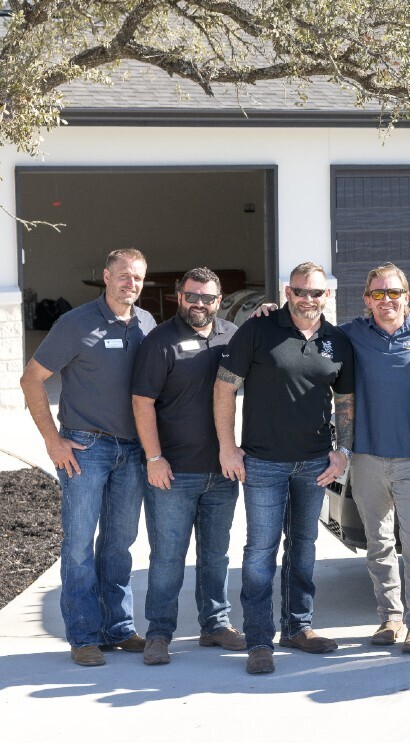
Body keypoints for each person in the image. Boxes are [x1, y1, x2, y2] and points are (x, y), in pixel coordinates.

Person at [215, 262, 355, 675]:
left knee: (304, 547)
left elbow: (345, 402)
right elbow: (224, 387)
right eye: (299, 291)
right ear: (287, 292)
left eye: (315, 293)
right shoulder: (258, 330)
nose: (307, 299)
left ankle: (299, 627)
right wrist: (228, 447)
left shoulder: (338, 341)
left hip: (314, 463)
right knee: (260, 551)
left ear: (327, 296)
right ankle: (259, 640)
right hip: (262, 463)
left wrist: (342, 451)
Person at [19, 249, 156, 667]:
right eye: (123, 276)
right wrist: (52, 441)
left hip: (132, 451)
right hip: (85, 449)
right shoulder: (75, 323)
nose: (130, 284)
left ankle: (118, 628)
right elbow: (31, 380)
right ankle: (83, 635)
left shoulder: (147, 323)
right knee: (78, 545)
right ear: (106, 277)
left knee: (119, 543)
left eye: (137, 278)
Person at [131, 268, 244, 665]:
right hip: (173, 473)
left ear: (219, 300)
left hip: (222, 471)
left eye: (208, 298)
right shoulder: (160, 341)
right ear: (179, 297)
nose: (199, 304)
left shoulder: (232, 335)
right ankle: (159, 633)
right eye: (192, 296)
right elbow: (142, 402)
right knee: (167, 556)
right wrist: (154, 458)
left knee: (216, 555)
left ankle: (215, 624)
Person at [341, 264, 410, 654]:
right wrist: (272, 311)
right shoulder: (352, 334)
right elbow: (307, 329)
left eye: (394, 293)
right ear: (366, 299)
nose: (386, 301)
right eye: (378, 294)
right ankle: (391, 617)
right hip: (367, 457)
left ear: (407, 296)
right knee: (378, 542)